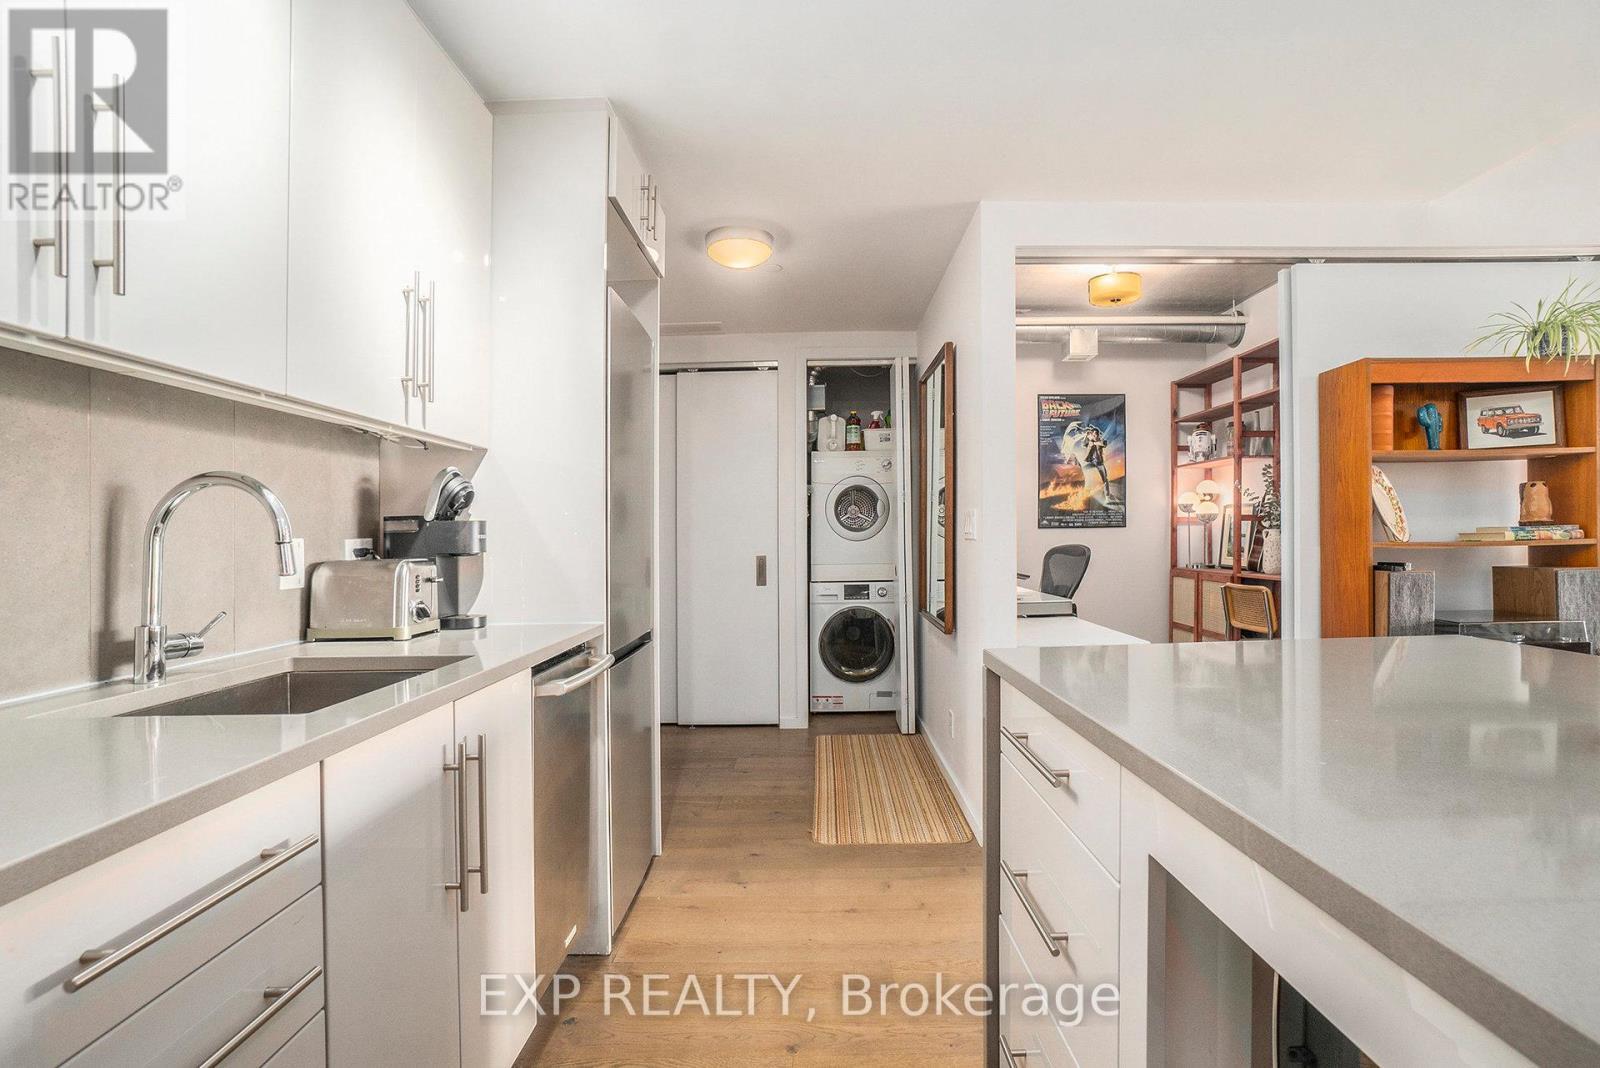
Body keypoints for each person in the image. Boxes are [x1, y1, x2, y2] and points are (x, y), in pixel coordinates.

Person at [1083, 424, 1118, 503]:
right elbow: (1083, 444)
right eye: (1093, 434)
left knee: (1105, 479)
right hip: (1091, 462)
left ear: (1098, 435)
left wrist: (1094, 443)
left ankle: (1107, 497)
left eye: (1096, 434)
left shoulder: (1101, 441)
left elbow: (1104, 444)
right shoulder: (1089, 441)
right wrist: (1086, 435)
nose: (1095, 435)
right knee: (1083, 469)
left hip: (1099, 463)